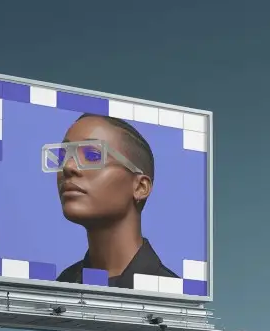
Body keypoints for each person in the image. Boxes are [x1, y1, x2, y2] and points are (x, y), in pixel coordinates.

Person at [48, 114, 177, 288]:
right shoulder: (62, 286)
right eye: (62, 155)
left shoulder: (172, 296)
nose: (68, 167)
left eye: (92, 155)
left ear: (140, 187)